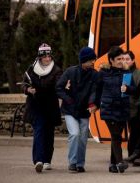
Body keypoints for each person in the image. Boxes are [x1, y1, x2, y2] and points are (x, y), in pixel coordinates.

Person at [56, 46, 98, 173]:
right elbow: (59, 88)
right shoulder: (70, 71)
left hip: (84, 111)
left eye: (93, 60)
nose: (93, 62)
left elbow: (94, 91)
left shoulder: (94, 74)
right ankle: (72, 162)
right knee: (74, 134)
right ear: (83, 60)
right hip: (70, 110)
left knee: (83, 138)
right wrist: (68, 100)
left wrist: (92, 104)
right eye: (91, 60)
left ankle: (80, 164)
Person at [22, 43, 62, 173]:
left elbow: (58, 84)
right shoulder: (31, 69)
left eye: (49, 55)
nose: (48, 58)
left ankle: (47, 161)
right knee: (39, 131)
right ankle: (38, 160)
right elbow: (24, 84)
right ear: (40, 57)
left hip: (50, 106)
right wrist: (28, 89)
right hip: (36, 105)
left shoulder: (56, 70)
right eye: (45, 56)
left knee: (49, 134)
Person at [96, 46, 134, 173]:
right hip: (109, 108)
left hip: (123, 109)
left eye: (123, 58)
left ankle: (113, 165)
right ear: (111, 60)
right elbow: (97, 90)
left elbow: (134, 89)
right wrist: (94, 104)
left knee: (116, 136)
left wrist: (127, 89)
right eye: (119, 59)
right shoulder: (103, 73)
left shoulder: (127, 73)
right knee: (116, 135)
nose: (122, 61)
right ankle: (119, 162)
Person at [122, 51, 140, 157]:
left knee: (136, 132)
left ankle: (133, 154)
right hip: (124, 107)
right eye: (123, 59)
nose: (125, 61)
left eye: (127, 59)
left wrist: (138, 105)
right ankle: (131, 154)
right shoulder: (120, 73)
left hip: (136, 108)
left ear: (133, 60)